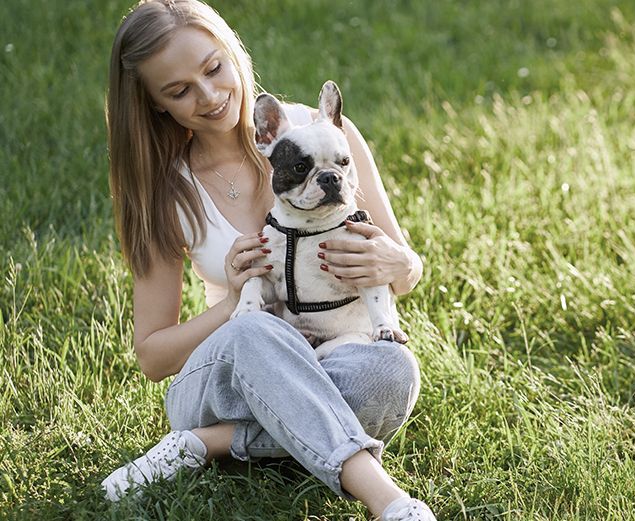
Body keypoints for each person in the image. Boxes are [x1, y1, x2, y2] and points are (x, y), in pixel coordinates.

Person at [100, 1, 435, 519]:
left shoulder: (323, 135)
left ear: (231, 52)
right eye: (179, 91)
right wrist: (233, 303)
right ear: (154, 104)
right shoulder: (166, 190)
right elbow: (153, 357)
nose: (209, 96)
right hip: (226, 376)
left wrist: (399, 265)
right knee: (257, 327)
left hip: (329, 354)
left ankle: (211, 443)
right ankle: (385, 497)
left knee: (392, 368)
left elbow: (405, 269)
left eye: (213, 68)